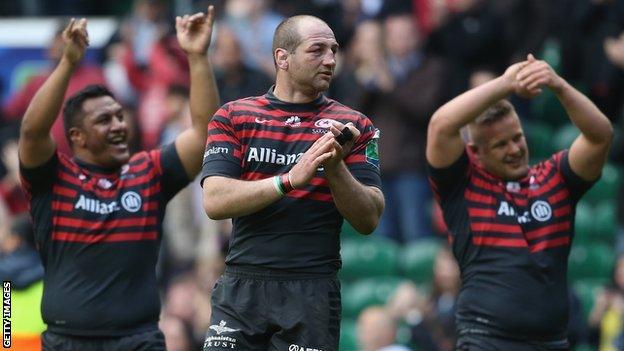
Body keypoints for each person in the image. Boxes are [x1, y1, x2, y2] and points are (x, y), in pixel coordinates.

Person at [18, 7, 219, 351]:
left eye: (118, 116)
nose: (119, 125)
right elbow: (32, 132)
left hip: (138, 341)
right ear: (77, 136)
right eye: (104, 120)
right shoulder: (54, 178)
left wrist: (197, 57)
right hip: (67, 342)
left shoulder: (150, 172)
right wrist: (68, 63)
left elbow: (206, 135)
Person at [200, 15, 385, 351]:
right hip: (243, 286)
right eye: (317, 50)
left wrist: (335, 168)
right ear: (282, 58)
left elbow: (369, 218)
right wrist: (288, 180)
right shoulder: (233, 116)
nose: (330, 60)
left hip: (311, 290)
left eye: (334, 50)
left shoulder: (355, 125)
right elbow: (215, 201)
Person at [426, 54, 613, 350]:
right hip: (485, 341)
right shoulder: (462, 185)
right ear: (476, 151)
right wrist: (506, 83)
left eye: (517, 138)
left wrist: (557, 84)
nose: (514, 149)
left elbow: (600, 136)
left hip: (552, 342)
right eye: (501, 144)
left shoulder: (556, 178)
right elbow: (441, 125)